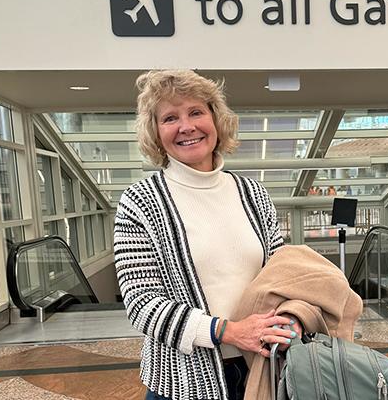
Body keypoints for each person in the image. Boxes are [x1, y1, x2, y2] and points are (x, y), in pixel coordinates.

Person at [114, 70, 300, 400]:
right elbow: (141, 302)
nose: (187, 126)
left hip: (262, 371)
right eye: (170, 117)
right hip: (181, 382)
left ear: (216, 119)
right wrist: (228, 331)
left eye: (196, 112)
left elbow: (283, 273)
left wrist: (292, 318)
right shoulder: (140, 201)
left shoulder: (252, 193)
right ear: (156, 133)